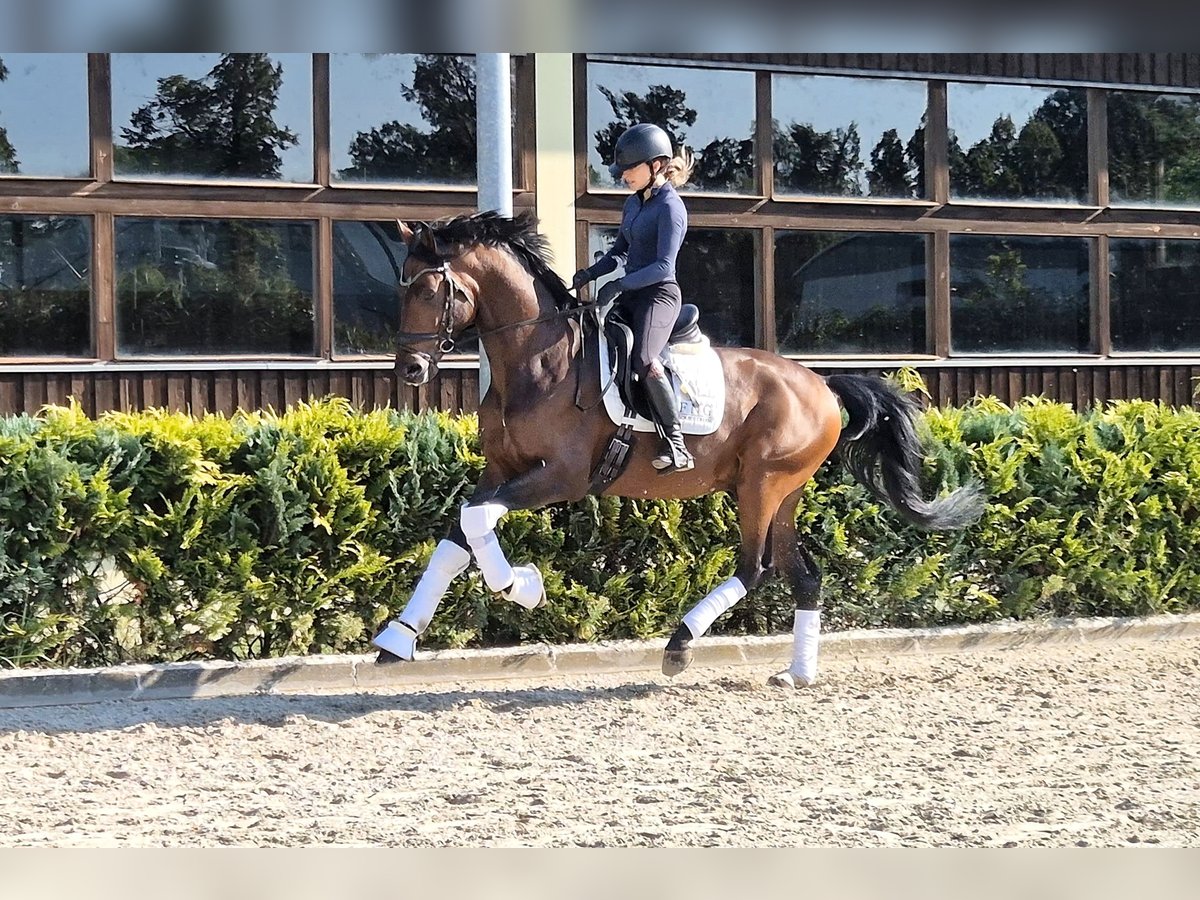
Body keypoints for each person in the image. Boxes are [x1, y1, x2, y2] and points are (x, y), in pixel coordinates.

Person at [572, 122, 696, 473]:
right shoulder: (632, 204)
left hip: (658, 296)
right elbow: (619, 251)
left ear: (656, 165)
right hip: (631, 294)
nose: (624, 175)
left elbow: (663, 267)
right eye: (623, 170)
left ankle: (676, 443)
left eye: (630, 168)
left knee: (644, 357)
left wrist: (620, 286)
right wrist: (590, 274)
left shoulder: (672, 208)